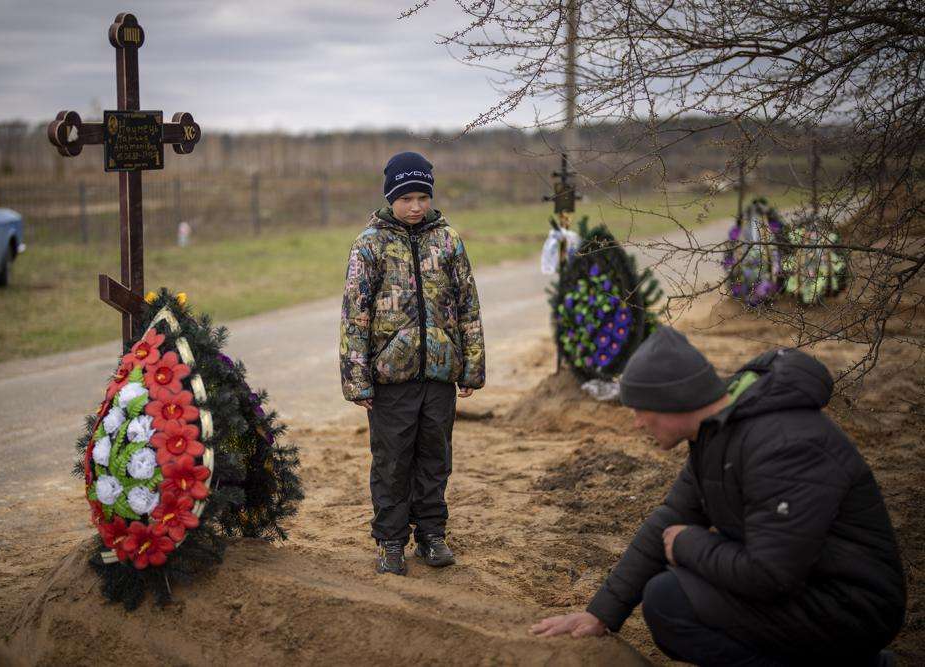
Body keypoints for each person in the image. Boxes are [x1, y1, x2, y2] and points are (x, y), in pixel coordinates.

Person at [530, 326, 906, 666]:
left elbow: (771, 574)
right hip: (807, 586)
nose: (637, 423)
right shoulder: (717, 433)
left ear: (674, 400)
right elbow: (669, 518)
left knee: (670, 600)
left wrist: (689, 544)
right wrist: (601, 614)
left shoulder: (783, 444)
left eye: (641, 410)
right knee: (669, 590)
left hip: (850, 606)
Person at [340, 151, 485, 576]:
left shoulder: (449, 241)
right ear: (391, 198)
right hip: (391, 380)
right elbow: (355, 316)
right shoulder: (370, 244)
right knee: (392, 460)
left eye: (423, 197)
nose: (416, 206)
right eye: (407, 198)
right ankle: (390, 540)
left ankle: (431, 534)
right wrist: (358, 379)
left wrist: (471, 366)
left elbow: (468, 306)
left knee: (435, 457)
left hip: (440, 374)